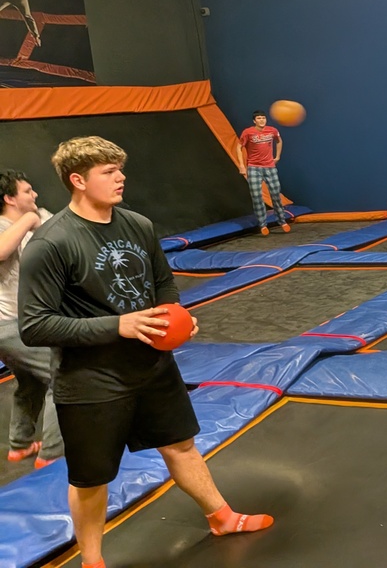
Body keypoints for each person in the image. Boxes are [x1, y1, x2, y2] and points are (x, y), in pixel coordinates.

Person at [18, 137, 273, 568]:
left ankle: (222, 518)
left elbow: (163, 286)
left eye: (121, 169)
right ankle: (93, 560)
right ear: (77, 180)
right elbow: (34, 325)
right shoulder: (51, 243)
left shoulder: (138, 224)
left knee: (181, 446)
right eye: (108, 171)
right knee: (90, 478)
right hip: (90, 380)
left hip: (152, 367)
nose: (121, 178)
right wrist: (119, 325)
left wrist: (178, 319)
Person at [0, 169, 63, 468]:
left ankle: (20, 445)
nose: (35, 195)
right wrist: (29, 219)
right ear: (10, 198)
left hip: (23, 322)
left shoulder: (38, 219)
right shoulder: (3, 226)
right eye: (27, 191)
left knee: (30, 382)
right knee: (64, 377)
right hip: (8, 325)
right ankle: (51, 455)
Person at [236, 111, 290, 237]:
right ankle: (263, 224)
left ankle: (281, 221)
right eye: (259, 118)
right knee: (256, 196)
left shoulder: (272, 130)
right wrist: (241, 165)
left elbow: (279, 141)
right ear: (254, 121)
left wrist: (277, 156)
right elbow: (239, 147)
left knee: (276, 194)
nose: (262, 120)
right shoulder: (248, 132)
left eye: (263, 118)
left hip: (269, 167)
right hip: (254, 168)